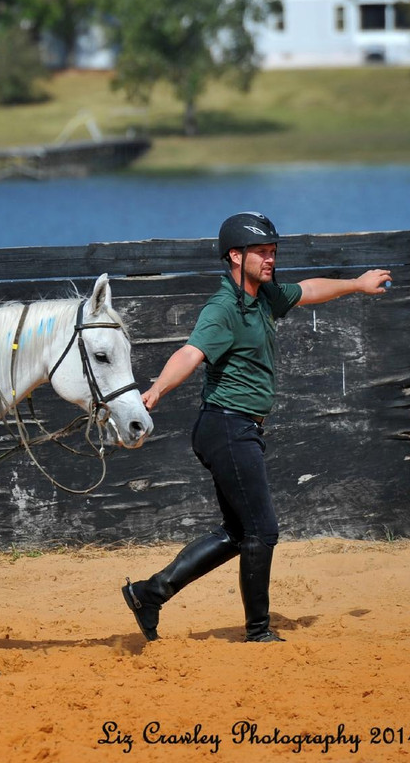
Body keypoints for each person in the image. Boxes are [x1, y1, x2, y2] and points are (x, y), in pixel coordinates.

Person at [122, 211, 391, 643]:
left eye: (272, 252)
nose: (270, 259)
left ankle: (148, 594)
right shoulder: (224, 307)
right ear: (234, 255)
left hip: (238, 428)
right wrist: (156, 392)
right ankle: (258, 631)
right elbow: (191, 354)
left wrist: (357, 284)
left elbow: (308, 290)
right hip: (226, 427)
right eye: (262, 252)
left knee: (237, 532)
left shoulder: (263, 296)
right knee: (262, 531)